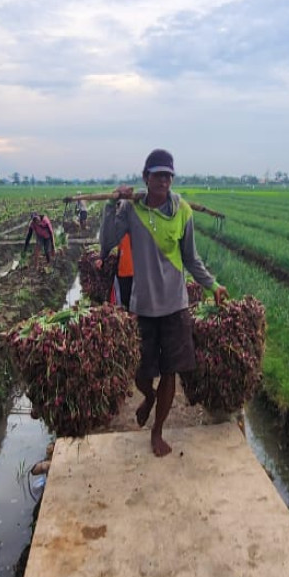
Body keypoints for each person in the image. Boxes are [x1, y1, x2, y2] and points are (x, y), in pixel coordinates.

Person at [101, 149, 226, 457]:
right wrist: (111, 205)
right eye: (157, 175)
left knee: (170, 371)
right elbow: (107, 244)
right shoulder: (131, 209)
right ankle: (149, 396)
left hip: (174, 305)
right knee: (140, 371)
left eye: (168, 176)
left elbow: (191, 258)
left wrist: (212, 285)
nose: (164, 181)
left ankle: (157, 430)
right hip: (142, 305)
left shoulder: (183, 211)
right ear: (146, 177)